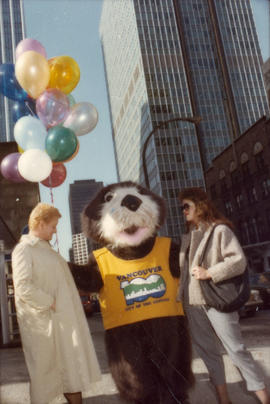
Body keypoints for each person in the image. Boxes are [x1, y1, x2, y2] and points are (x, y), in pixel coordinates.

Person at [177, 187, 270, 404]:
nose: (183, 211)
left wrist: (210, 272)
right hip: (193, 303)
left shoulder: (219, 231)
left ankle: (264, 398)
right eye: (181, 207)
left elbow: (237, 261)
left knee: (236, 350)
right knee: (208, 353)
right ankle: (223, 400)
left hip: (216, 300)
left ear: (200, 205)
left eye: (186, 206)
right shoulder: (189, 236)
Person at [12, 203, 101, 404]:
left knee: (70, 377)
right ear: (40, 224)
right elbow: (23, 286)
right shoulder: (25, 249)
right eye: (52, 226)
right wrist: (51, 302)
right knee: (50, 382)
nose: (55, 230)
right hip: (47, 327)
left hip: (60, 325)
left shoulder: (46, 250)